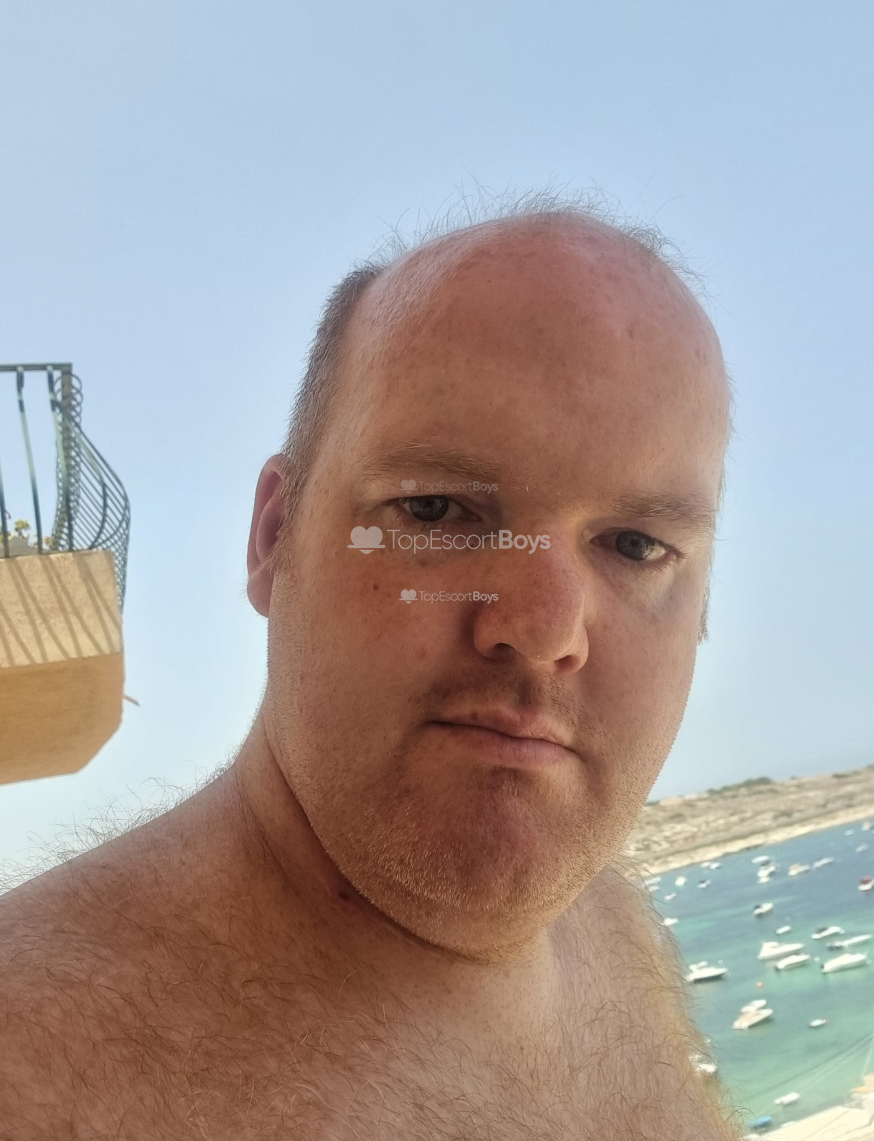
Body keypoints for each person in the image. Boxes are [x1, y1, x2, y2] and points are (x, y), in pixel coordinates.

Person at [0, 197, 741, 1139]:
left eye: (636, 545)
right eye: (435, 510)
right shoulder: (32, 1076)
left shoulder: (610, 926)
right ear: (275, 536)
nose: (544, 630)